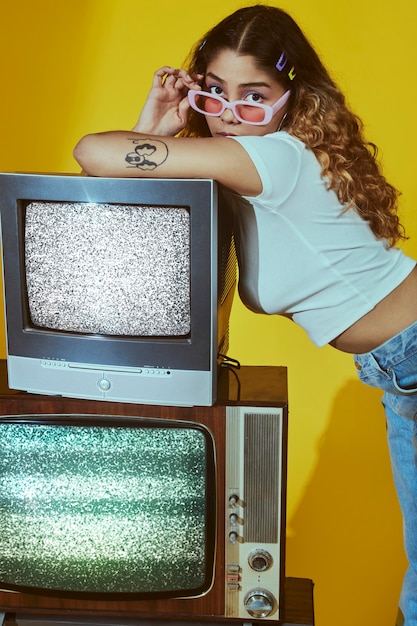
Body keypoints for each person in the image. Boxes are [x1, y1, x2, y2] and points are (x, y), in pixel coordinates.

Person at [73, 5, 417, 623]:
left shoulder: (271, 160)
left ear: (293, 98)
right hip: (401, 369)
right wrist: (158, 123)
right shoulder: (249, 160)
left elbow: (94, 153)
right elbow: (128, 194)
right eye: (213, 92)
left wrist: (154, 130)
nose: (231, 114)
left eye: (253, 96)